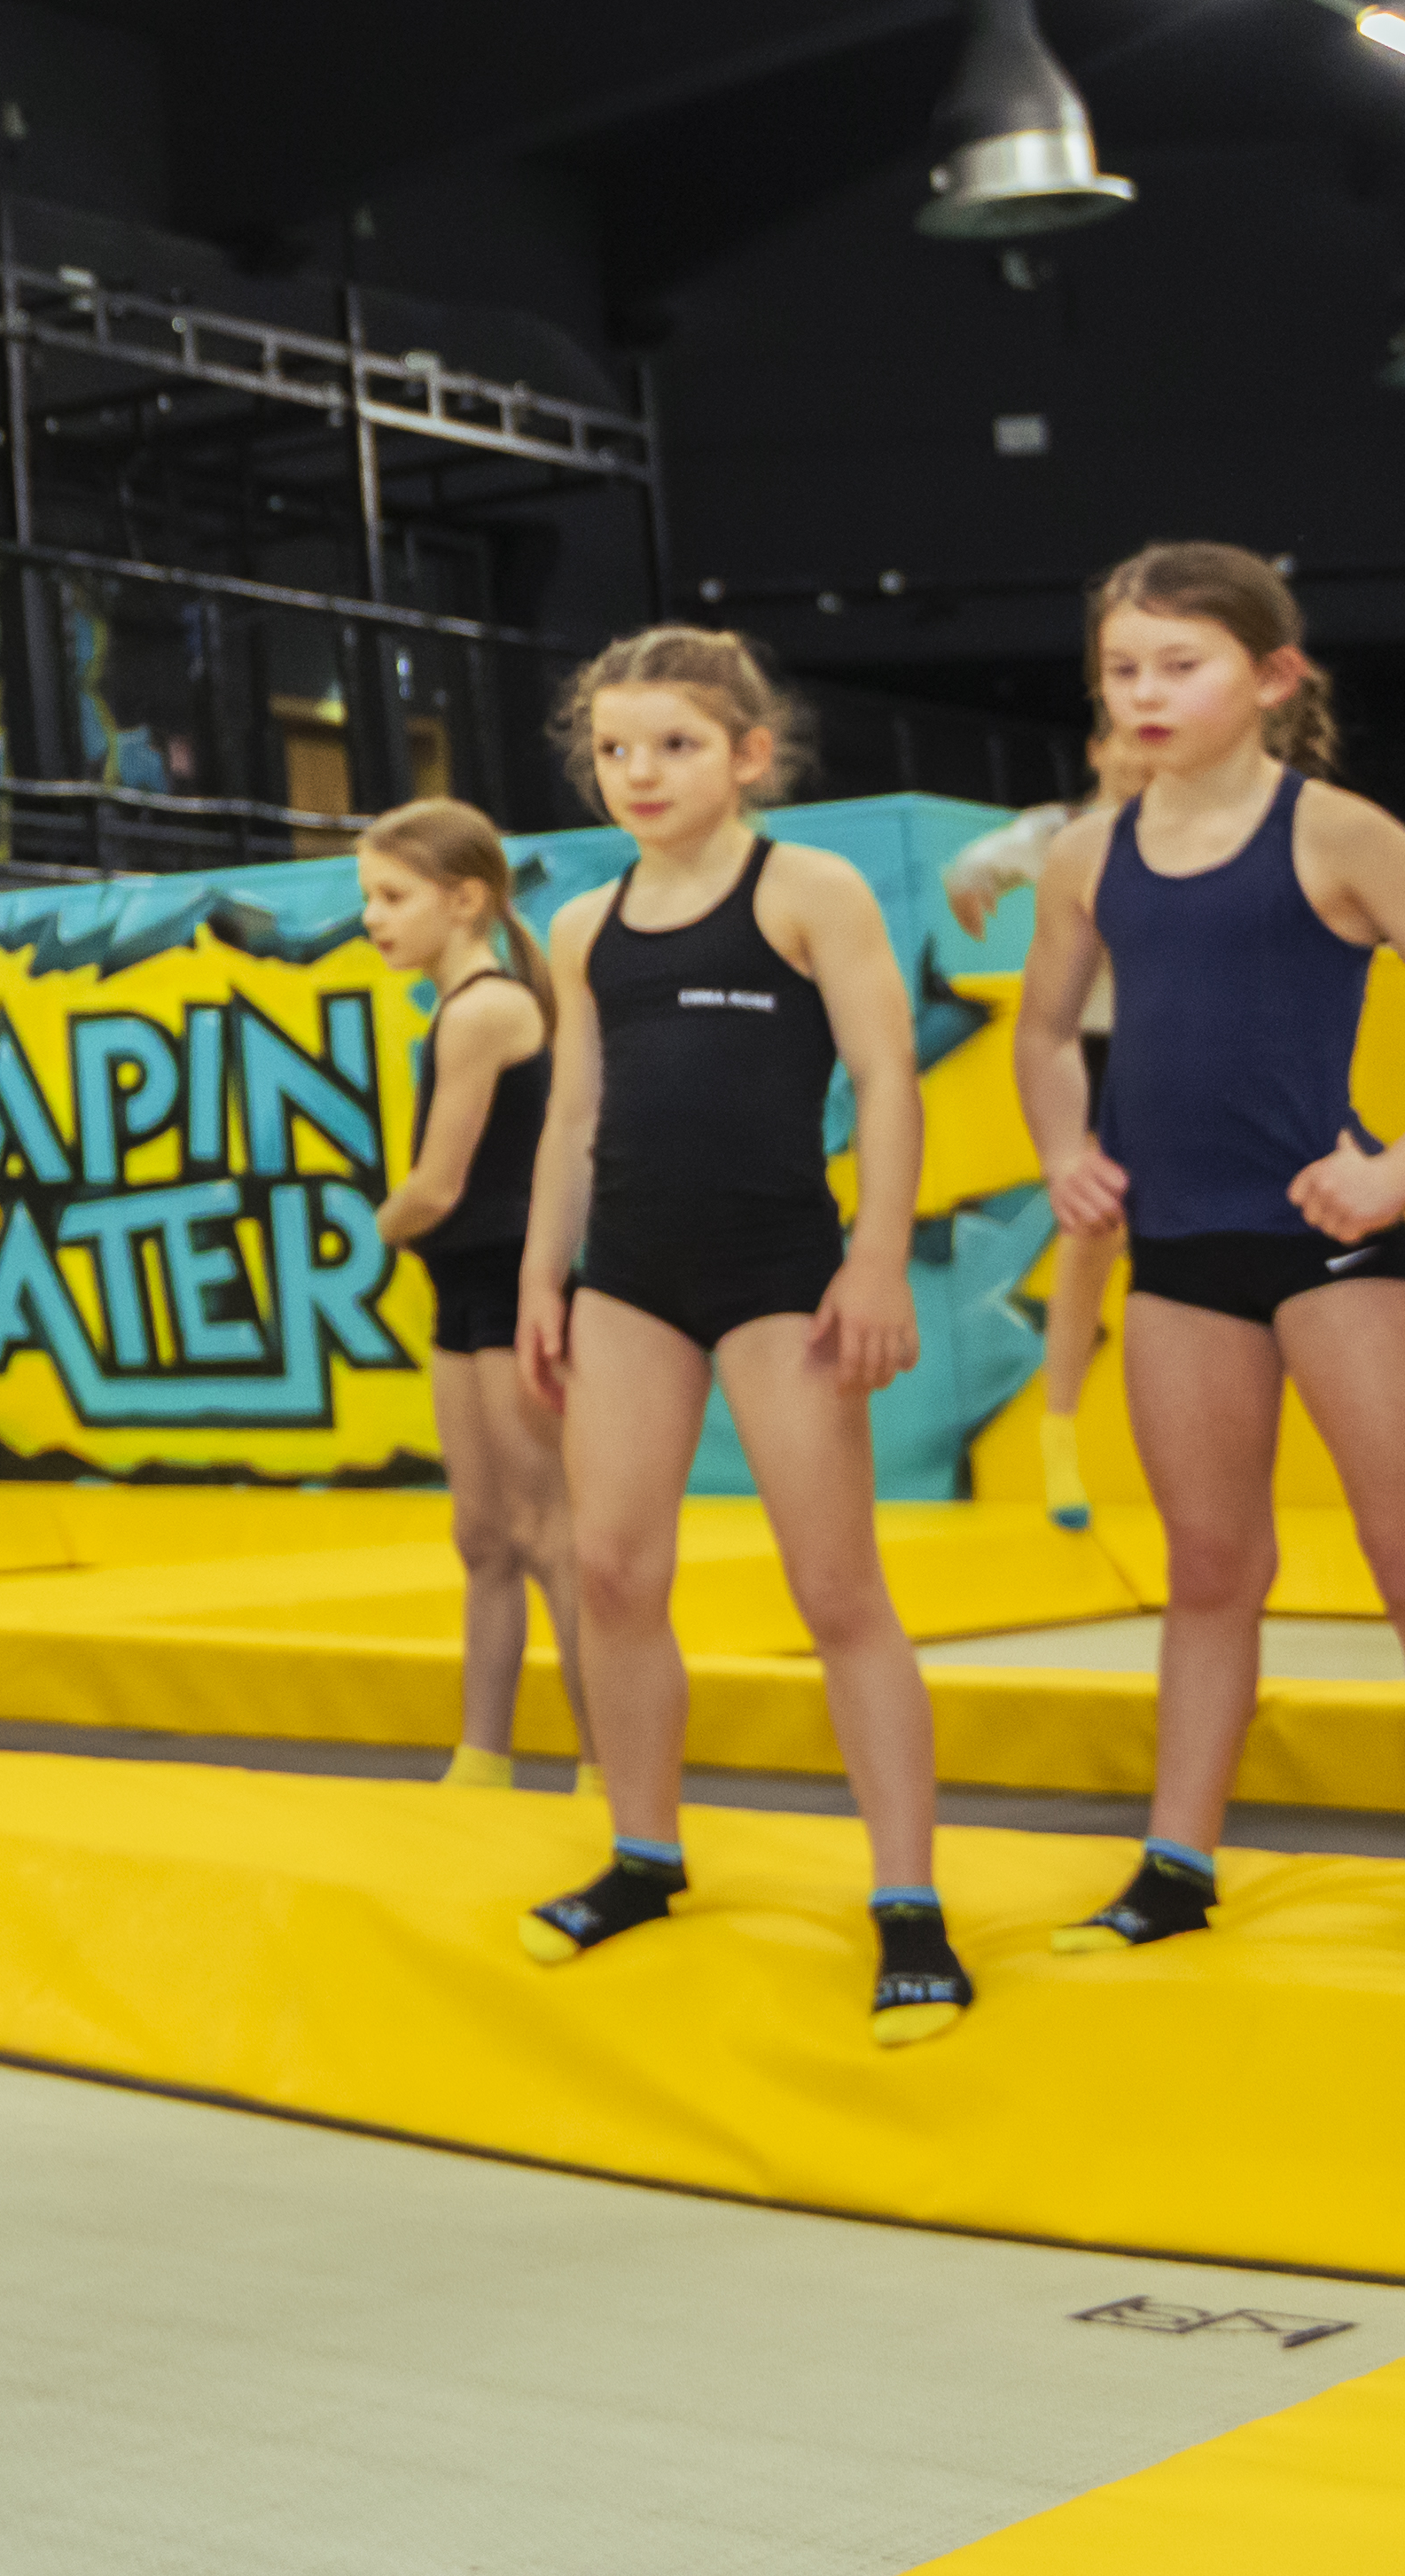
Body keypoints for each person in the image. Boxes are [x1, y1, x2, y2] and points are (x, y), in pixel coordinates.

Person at [1014, 542, 1405, 1994]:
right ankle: (1177, 1866)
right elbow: (1046, 1029)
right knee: (1208, 1571)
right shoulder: (1089, 855)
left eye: (1177, 665)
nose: (1143, 692)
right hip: (1182, 1261)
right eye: (1121, 669)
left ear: (1271, 678)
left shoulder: (1339, 836)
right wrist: (1066, 1147)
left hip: (1337, 1250)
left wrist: (1400, 1169)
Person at [509, 627, 963, 2047]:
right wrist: (542, 1276)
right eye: (617, 749)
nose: (639, 774)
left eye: (677, 747)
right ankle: (645, 1851)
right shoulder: (584, 927)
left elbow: (889, 1077)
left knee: (837, 1587)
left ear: (748, 755)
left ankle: (909, 1903)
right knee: (610, 1567)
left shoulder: (808, 892)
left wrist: (878, 1256)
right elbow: (574, 1116)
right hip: (630, 1276)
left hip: (779, 1273)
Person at [357, 799, 571, 1791]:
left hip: (514, 1284)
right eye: (370, 898)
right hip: (464, 1288)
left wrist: (376, 1225)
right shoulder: (461, 1006)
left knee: (546, 1532)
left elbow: (437, 1185)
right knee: (482, 1534)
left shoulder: (487, 1007)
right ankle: (481, 1757)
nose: (374, 917)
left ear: (466, 898)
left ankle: (614, 1767)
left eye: (393, 896)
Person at [945, 728, 1150, 1532]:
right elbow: (974, 865)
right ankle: (1058, 1429)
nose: (1141, 759)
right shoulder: (1059, 832)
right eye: (1126, 744)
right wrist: (974, 888)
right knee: (1091, 1236)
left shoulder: (1189, 833)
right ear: (1095, 750)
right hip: (1097, 1051)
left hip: (1179, 1048)